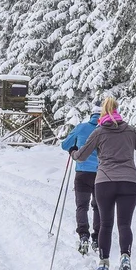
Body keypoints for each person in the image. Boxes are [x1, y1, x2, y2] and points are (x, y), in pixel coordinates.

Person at [69, 97, 136, 270]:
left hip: (105, 182)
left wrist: (73, 153)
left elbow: (82, 156)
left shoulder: (99, 132)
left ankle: (104, 262)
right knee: (124, 224)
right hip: (130, 183)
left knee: (106, 224)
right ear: (117, 110)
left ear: (103, 112)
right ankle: (125, 257)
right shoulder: (130, 131)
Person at [60, 102, 102, 255]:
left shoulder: (82, 127)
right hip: (101, 174)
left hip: (82, 173)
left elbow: (65, 145)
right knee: (98, 207)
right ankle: (97, 238)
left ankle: (83, 235)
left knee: (81, 206)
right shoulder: (106, 130)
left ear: (92, 115)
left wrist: (74, 148)